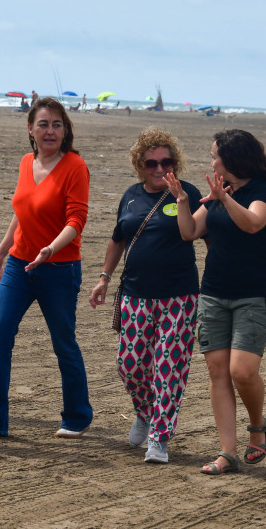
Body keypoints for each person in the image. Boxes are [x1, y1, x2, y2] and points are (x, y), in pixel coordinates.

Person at [170, 130, 266, 475]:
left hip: (254, 294)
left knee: (242, 371)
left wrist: (224, 198)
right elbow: (189, 232)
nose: (210, 162)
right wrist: (182, 200)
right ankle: (227, 452)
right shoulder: (220, 196)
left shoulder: (261, 193)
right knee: (218, 371)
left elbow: (252, 223)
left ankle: (257, 424)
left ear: (232, 159)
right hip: (213, 293)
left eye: (214, 156)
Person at [0, 97, 91, 439]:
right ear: (31, 129)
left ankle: (77, 416)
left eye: (57, 124)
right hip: (19, 266)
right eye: (43, 124)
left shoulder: (74, 166)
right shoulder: (27, 162)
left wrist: (51, 248)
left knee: (63, 342)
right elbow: (22, 214)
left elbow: (77, 219)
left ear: (66, 129)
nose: (50, 130)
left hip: (60, 268)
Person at [89, 128, 204, 463]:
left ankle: (159, 438)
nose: (159, 168)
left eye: (166, 161)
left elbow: (204, 233)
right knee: (130, 365)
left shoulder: (189, 192)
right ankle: (145, 412)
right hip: (136, 296)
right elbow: (117, 239)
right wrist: (104, 278)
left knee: (169, 368)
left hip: (179, 297)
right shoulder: (130, 196)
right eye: (150, 162)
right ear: (139, 165)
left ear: (175, 163)